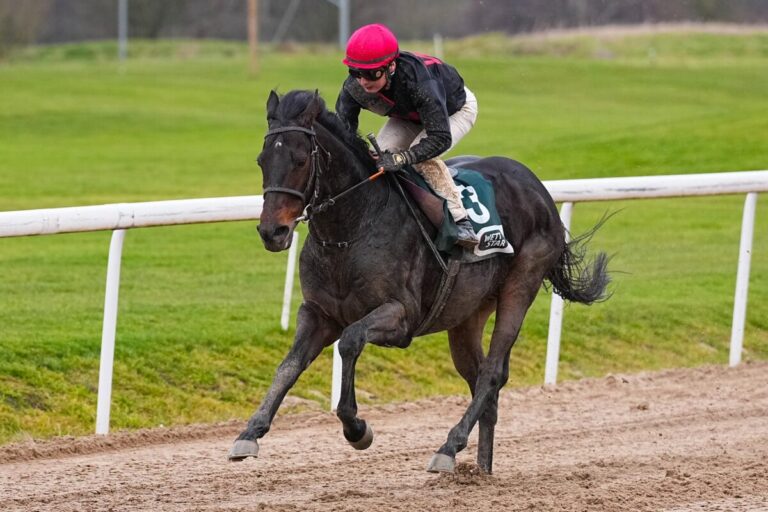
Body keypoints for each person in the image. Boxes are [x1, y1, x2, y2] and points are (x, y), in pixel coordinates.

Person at [335, 23, 480, 248]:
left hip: (455, 110)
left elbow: (440, 138)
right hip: (409, 114)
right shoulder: (354, 87)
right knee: (376, 160)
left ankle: (462, 222)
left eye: (371, 73)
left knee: (421, 159)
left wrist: (402, 158)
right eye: (356, 72)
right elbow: (344, 133)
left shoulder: (419, 81)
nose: (363, 81)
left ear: (391, 67)